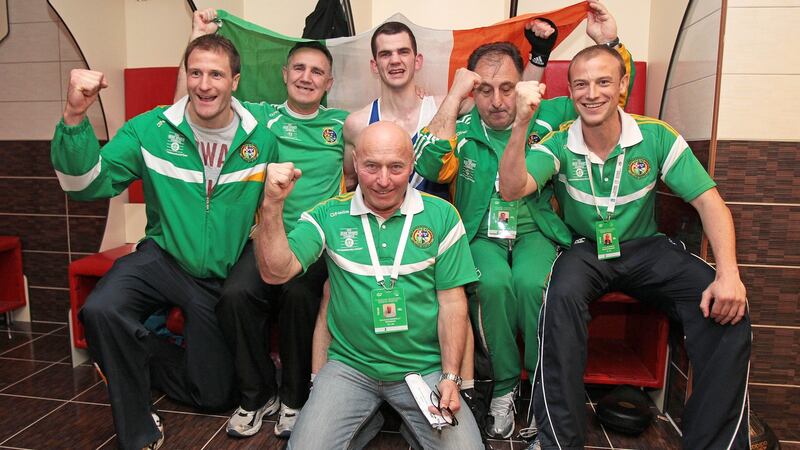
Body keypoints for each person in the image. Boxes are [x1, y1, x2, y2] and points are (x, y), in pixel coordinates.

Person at [500, 44, 751, 449]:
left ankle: (715, 444)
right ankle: (557, 442)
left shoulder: (654, 135)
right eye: (581, 84)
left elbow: (709, 202)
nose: (592, 93)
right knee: (558, 298)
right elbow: (513, 188)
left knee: (725, 305)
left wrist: (729, 273)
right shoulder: (558, 143)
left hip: (645, 247)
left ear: (622, 85)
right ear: (570, 91)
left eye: (603, 81)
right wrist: (519, 125)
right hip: (585, 249)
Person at [52, 34, 279, 450]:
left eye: (216, 74)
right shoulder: (150, 130)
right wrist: (74, 117)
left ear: (235, 81)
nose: (204, 84)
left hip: (216, 275)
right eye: (195, 73)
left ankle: (134, 355)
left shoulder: (261, 138)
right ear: (185, 76)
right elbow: (84, 184)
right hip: (163, 257)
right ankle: (139, 428)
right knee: (101, 309)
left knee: (213, 396)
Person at [413, 1, 628, 439]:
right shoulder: (464, 127)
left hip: (536, 231)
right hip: (480, 236)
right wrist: (454, 97)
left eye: (507, 88)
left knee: (532, 285)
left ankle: (539, 389)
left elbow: (606, 93)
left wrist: (608, 41)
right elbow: (430, 165)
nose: (497, 101)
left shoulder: (547, 118)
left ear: (524, 86)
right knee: (493, 285)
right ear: (473, 92)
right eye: (485, 89)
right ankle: (504, 389)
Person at [254, 121, 483, 449]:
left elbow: (452, 303)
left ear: (412, 165)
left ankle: (406, 422)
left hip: (424, 368)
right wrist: (272, 205)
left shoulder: (442, 216)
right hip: (350, 367)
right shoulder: (329, 215)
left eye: (396, 167)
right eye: (372, 166)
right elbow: (275, 272)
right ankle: (374, 417)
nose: (384, 180)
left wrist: (451, 376)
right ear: (356, 163)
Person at [177, 9, 351, 439]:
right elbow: (200, 95)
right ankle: (257, 395)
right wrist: (197, 34)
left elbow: (381, 145)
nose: (307, 77)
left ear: (329, 84)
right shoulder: (257, 117)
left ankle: (295, 398)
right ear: (284, 74)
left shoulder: (343, 124)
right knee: (234, 295)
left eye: (317, 72)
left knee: (297, 294)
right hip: (264, 236)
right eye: (299, 68)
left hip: (314, 245)